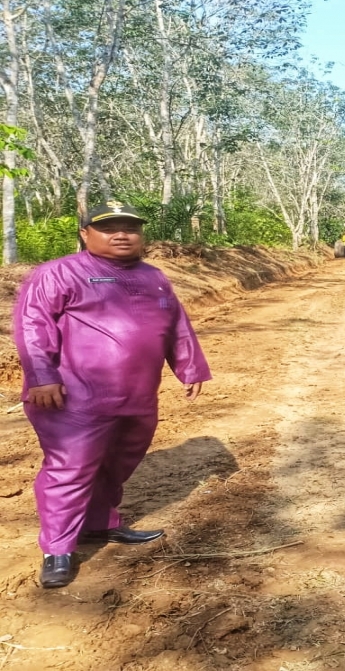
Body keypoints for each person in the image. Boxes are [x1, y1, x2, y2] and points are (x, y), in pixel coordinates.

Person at [13, 200, 212, 589]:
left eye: (131, 228)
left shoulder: (154, 277)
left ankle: (99, 523)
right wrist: (41, 377)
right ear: (85, 234)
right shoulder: (58, 274)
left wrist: (189, 366)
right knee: (70, 470)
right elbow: (32, 325)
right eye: (109, 228)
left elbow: (175, 324)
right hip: (74, 399)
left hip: (137, 395)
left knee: (118, 462)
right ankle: (57, 549)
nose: (122, 234)